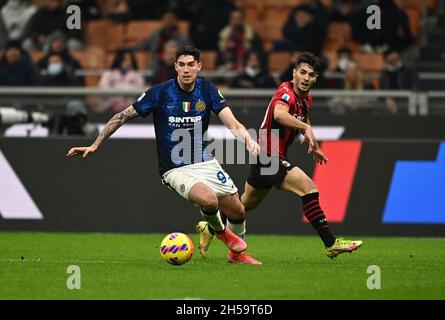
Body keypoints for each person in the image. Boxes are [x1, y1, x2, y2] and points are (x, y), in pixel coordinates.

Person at [66, 46, 261, 265]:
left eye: (190, 65)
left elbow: (233, 122)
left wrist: (247, 139)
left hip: (204, 160)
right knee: (209, 199)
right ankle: (222, 233)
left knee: (237, 209)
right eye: (182, 65)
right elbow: (122, 116)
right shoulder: (159, 93)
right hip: (174, 168)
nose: (186, 69)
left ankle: (235, 256)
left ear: (199, 66)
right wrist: (95, 144)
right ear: (175, 66)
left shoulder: (207, 90)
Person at [197, 52, 363, 260]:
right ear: (294, 73)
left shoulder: (306, 99)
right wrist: (305, 128)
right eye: (302, 72)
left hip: (266, 157)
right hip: (268, 155)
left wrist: (313, 141)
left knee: (243, 205)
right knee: (308, 188)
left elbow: (303, 118)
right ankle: (331, 243)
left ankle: (209, 227)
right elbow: (279, 114)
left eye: (311, 75)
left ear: (315, 79)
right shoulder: (285, 90)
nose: (306, 78)